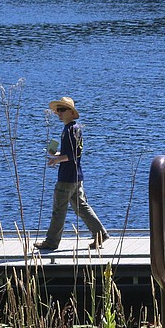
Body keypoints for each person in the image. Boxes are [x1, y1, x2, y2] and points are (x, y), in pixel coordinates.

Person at [34, 96, 109, 251]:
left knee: (59, 209)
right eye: (57, 110)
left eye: (61, 110)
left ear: (70, 111)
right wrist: (57, 155)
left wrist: (57, 160)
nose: (58, 113)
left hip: (67, 177)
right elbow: (71, 153)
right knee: (81, 206)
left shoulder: (71, 130)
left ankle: (51, 242)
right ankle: (100, 233)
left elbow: (73, 155)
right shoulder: (72, 129)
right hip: (76, 176)